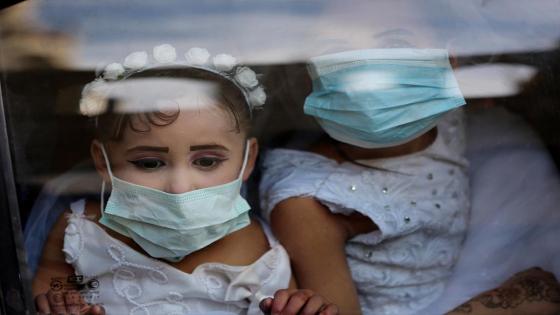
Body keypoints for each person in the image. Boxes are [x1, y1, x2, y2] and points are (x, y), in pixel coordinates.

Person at [31, 44, 338, 315]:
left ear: (248, 160)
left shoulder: (259, 249)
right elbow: (51, 290)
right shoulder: (80, 229)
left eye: (206, 161)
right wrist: (61, 304)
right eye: (150, 163)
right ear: (103, 161)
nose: (179, 187)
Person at [259, 48, 470, 315]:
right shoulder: (309, 202)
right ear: (310, 69)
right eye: (337, 45)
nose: (368, 67)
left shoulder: (441, 111)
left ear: (449, 56)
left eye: (395, 42)